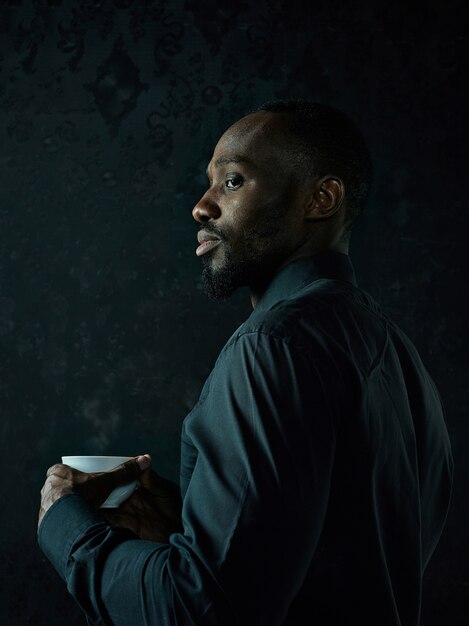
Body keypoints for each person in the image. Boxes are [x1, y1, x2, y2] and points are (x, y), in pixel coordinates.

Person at [38, 100, 453, 626]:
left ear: (321, 199)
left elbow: (199, 610)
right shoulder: (401, 358)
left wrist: (68, 527)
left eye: (233, 181)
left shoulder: (271, 346)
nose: (202, 207)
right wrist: (190, 522)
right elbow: (333, 567)